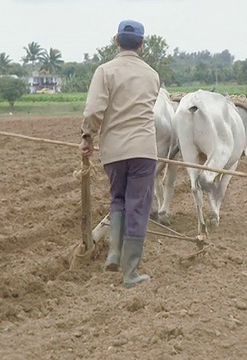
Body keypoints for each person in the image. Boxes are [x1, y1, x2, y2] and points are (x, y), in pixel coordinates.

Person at [79, 19, 160, 288]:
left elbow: (93, 110)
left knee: (118, 198)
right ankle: (131, 272)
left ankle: (114, 253)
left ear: (116, 42)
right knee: (138, 204)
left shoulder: (105, 71)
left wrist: (87, 137)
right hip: (144, 151)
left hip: (113, 152)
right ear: (141, 44)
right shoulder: (152, 75)